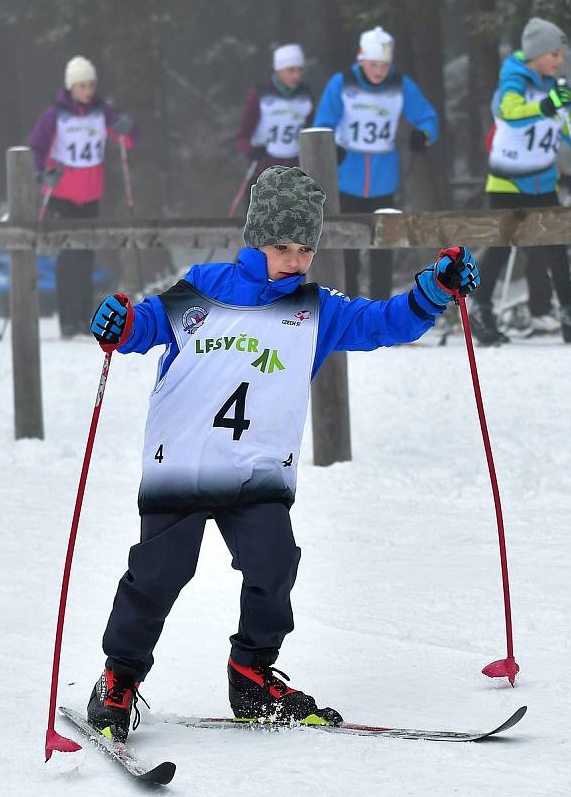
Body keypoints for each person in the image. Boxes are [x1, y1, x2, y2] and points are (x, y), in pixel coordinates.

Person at [84, 165, 479, 741]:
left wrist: (432, 290)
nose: (294, 259)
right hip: (183, 463)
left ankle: (251, 673)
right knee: (159, 573)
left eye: (305, 248)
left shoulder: (319, 309)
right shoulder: (203, 286)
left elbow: (384, 322)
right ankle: (118, 678)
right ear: (255, 240)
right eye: (282, 246)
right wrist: (120, 324)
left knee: (274, 566)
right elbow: (145, 325)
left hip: (257, 471)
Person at [469, 17, 571, 345]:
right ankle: (480, 308)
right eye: (554, 54)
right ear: (536, 53)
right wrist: (545, 105)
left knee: (556, 248)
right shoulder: (513, 79)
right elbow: (509, 112)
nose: (560, 61)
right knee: (501, 248)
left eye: (562, 54)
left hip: (543, 182)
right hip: (508, 182)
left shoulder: (557, 88)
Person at [314, 26, 438, 300]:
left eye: (384, 65)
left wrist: (423, 135)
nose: (379, 72)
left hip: (385, 179)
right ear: (361, 59)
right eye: (373, 65)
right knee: (348, 249)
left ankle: (381, 313)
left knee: (383, 245)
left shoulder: (400, 84)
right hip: (346, 178)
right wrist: (332, 147)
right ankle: (345, 309)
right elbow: (322, 124)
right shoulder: (341, 83)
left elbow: (427, 118)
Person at [29, 56, 139, 338]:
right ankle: (67, 320)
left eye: (90, 85)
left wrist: (127, 129)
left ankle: (81, 319)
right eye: (81, 86)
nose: (87, 91)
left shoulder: (102, 112)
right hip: (62, 194)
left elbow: (128, 139)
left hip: (90, 195)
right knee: (69, 257)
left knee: (87, 255)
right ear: (70, 87)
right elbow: (36, 147)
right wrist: (43, 173)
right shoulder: (55, 115)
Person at [235, 44, 314, 209]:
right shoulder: (261, 93)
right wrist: (252, 150)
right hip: (264, 170)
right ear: (279, 69)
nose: (296, 75)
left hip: (295, 171)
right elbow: (242, 136)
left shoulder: (305, 94)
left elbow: (311, 131)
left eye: (300, 70)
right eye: (291, 70)